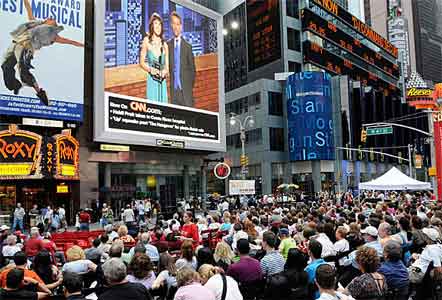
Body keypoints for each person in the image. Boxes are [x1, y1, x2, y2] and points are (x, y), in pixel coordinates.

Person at [1, 0, 84, 105]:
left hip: (26, 49)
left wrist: (83, 45)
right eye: (49, 18)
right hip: (15, 44)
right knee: (5, 66)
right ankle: (15, 85)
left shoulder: (53, 36)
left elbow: (70, 42)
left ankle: (40, 92)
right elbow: (28, 8)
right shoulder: (34, 23)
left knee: (24, 73)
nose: (50, 18)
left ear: (52, 26)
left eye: (52, 19)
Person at [167, 11, 196, 107]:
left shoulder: (188, 47)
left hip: (186, 92)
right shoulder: (168, 45)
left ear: (181, 26)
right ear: (171, 25)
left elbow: (193, 71)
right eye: (174, 24)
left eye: (178, 24)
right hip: (174, 92)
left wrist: (188, 87)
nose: (176, 27)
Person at [140, 13, 169, 103]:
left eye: (160, 24)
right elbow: (141, 62)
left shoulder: (165, 45)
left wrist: (164, 72)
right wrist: (150, 69)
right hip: (152, 81)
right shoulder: (146, 41)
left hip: (162, 82)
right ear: (152, 26)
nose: (158, 27)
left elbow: (167, 68)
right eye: (156, 24)